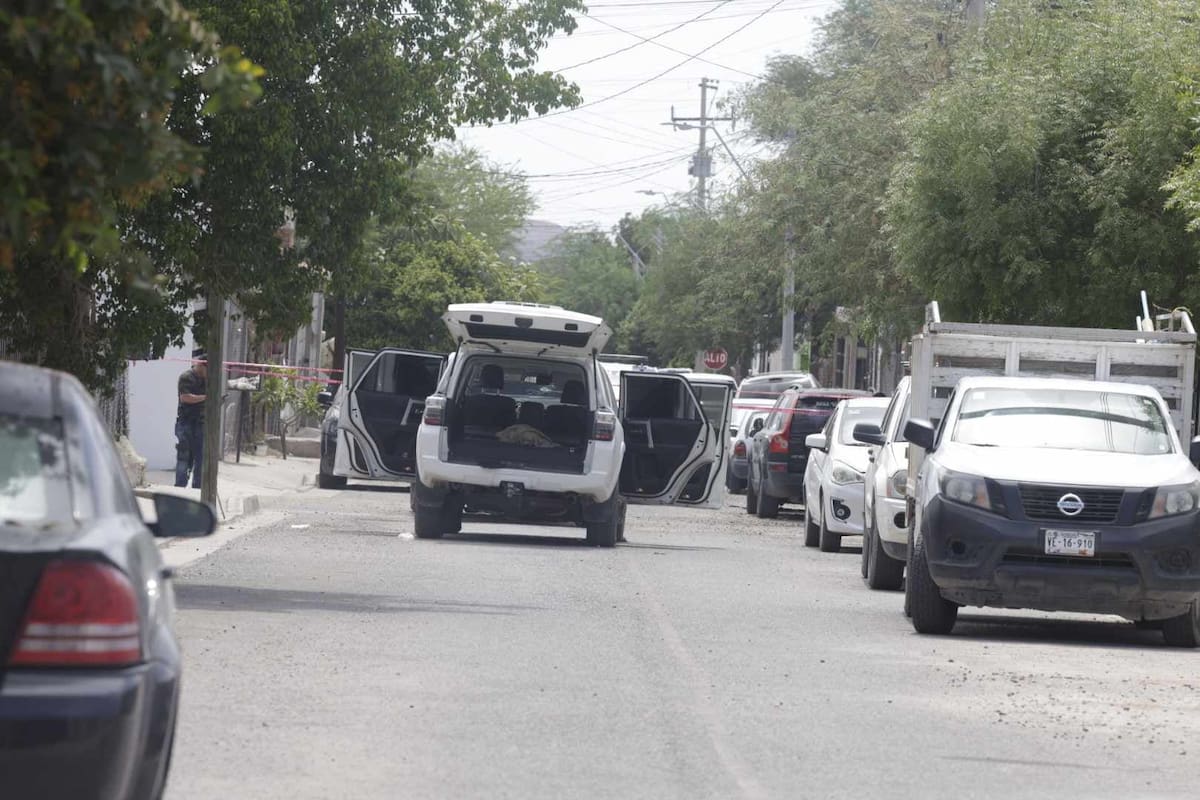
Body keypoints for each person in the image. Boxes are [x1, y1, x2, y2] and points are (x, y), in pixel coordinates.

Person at [175, 351, 207, 488]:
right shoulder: (187, 377)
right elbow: (185, 397)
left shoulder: (207, 380)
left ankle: (198, 487)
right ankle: (180, 486)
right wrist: (205, 398)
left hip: (200, 423)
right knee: (184, 455)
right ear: (201, 365)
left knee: (201, 457)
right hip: (185, 422)